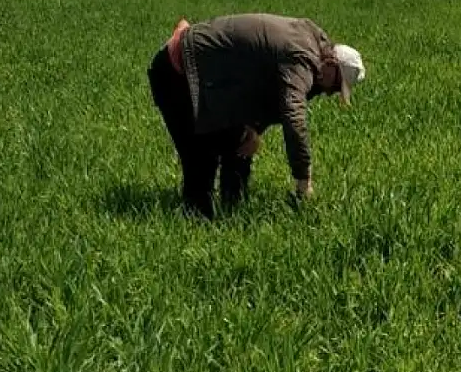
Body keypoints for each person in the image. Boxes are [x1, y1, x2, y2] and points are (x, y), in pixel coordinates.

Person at [147, 13, 365, 219]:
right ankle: (197, 224)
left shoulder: (308, 45)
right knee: (201, 158)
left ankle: (232, 212)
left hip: (210, 75)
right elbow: (293, 116)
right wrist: (303, 179)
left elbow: (265, 88)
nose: (330, 93)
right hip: (179, 69)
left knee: (241, 144)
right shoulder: (303, 59)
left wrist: (253, 128)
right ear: (331, 64)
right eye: (335, 85)